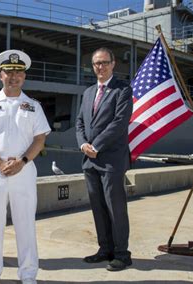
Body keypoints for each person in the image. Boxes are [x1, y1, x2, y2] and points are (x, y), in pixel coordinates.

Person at [0, 49, 51, 284]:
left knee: (25, 224)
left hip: (24, 171)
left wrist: (22, 162)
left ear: (24, 77)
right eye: (8, 72)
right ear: (0, 75)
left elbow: (39, 140)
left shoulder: (33, 106)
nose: (13, 77)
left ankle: (28, 274)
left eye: (18, 73)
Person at [75, 47, 133, 271]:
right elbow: (80, 122)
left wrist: (96, 146)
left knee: (115, 208)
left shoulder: (123, 90)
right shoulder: (88, 92)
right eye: (96, 63)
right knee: (98, 208)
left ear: (113, 63)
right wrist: (83, 144)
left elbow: (119, 123)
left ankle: (122, 254)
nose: (100, 67)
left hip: (111, 161)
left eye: (104, 62)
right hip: (89, 160)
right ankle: (105, 249)